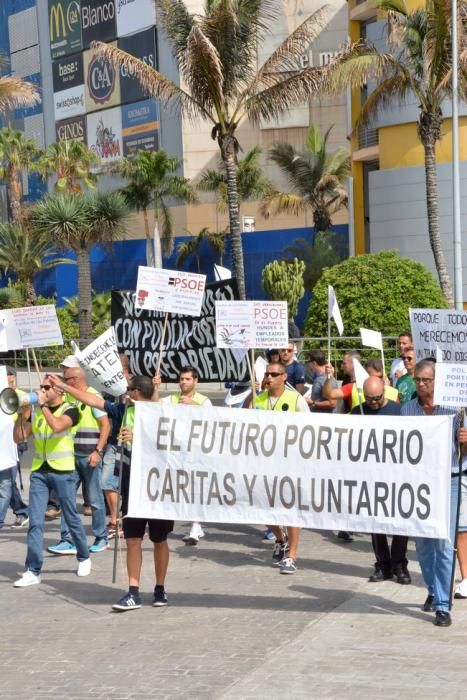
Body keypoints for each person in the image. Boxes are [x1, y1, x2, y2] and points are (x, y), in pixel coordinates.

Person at [47, 373, 173, 611]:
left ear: (137, 392)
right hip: (132, 487)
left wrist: (138, 439)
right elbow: (94, 401)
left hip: (158, 488)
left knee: (160, 539)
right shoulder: (124, 411)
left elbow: (172, 445)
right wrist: (64, 386)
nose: (126, 392)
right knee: (133, 539)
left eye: (129, 389)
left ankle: (160, 588)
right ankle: (133, 591)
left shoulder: (163, 414)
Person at [401, 359, 467, 627]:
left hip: (449, 479)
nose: (420, 384)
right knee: (423, 543)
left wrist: (465, 440)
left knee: (443, 541)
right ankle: (432, 588)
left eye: (426, 380)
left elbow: (463, 453)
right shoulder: (408, 409)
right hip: (419, 483)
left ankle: (442, 603)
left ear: (437, 382)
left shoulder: (455, 410)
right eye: (417, 380)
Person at [12, 379, 91, 587]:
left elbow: (57, 427)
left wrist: (42, 406)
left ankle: (84, 556)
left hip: (63, 471)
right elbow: (18, 438)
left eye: (47, 387)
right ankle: (33, 570)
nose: (43, 390)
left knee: (71, 517)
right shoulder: (38, 412)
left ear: (59, 390)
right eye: (42, 387)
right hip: (40, 471)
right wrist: (23, 415)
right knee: (36, 521)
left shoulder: (71, 410)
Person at [250, 361, 309, 574]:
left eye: (274, 374)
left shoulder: (296, 400)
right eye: (267, 373)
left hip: (291, 464)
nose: (269, 377)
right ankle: (280, 538)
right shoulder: (259, 399)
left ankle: (291, 556)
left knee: (291, 510)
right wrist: (252, 392)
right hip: (265, 464)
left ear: (284, 376)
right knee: (262, 508)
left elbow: (308, 431)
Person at [351, 376, 410, 584]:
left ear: (384, 393)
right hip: (371, 475)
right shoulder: (357, 411)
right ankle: (383, 565)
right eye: (369, 398)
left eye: (377, 398)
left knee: (401, 524)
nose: (373, 402)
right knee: (376, 524)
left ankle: (399, 565)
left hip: (397, 474)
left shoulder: (399, 411)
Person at [47, 365, 110, 556]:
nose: (65, 383)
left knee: (96, 499)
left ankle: (101, 537)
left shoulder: (93, 396)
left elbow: (105, 425)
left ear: (75, 379)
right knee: (67, 499)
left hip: (89, 456)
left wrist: (98, 451)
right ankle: (67, 540)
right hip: (69, 457)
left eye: (67, 379)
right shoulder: (68, 397)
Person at [154, 366, 211, 545]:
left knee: (195, 487)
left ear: (195, 381)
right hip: (175, 452)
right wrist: (155, 387)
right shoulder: (171, 399)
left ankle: (195, 524)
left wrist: (193, 406)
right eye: (181, 378)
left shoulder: (204, 400)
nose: (183, 382)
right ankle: (194, 523)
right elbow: (153, 406)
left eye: (187, 379)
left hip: (196, 451)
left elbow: (213, 419)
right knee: (180, 488)